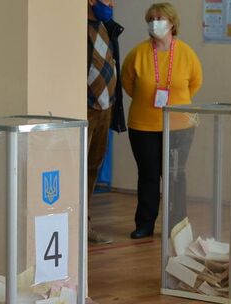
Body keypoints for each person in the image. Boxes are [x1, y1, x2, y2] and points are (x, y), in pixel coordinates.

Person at [120, 2, 202, 239]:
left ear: (172, 23)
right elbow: (128, 83)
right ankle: (145, 224)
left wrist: (177, 102)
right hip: (143, 125)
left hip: (179, 126)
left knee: (176, 176)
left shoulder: (186, 53)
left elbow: (195, 83)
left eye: (160, 18)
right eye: (151, 19)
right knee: (148, 175)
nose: (155, 23)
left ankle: (176, 226)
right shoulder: (138, 53)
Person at [86, 0, 126, 244]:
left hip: (105, 107)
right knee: (79, 168)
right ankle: (76, 224)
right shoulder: (77, 27)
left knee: (93, 166)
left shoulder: (107, 27)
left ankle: (86, 223)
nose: (111, 3)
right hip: (85, 108)